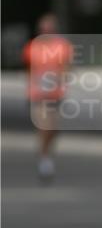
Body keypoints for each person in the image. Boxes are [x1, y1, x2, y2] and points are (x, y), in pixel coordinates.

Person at [22, 14, 73, 182]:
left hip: (56, 93)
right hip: (38, 94)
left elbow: (66, 67)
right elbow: (29, 70)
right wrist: (28, 89)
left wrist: (63, 81)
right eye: (44, 28)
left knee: (54, 129)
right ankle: (45, 161)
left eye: (50, 28)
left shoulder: (63, 46)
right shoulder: (32, 47)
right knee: (44, 126)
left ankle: (46, 153)